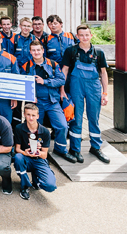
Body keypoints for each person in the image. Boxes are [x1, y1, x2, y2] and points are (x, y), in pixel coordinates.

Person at [61, 25, 110, 164]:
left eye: (87, 35)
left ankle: (96, 147)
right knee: (76, 118)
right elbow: (64, 70)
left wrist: (105, 93)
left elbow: (103, 73)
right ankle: (75, 149)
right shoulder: (71, 51)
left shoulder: (98, 52)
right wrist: (62, 89)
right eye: (81, 35)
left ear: (91, 35)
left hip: (94, 87)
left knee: (93, 117)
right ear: (77, 36)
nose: (84, 37)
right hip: (76, 86)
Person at [20, 41, 75, 163]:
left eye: (38, 50)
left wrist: (45, 82)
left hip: (52, 101)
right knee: (34, 129)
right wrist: (29, 95)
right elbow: (22, 83)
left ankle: (60, 149)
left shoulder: (53, 64)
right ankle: (35, 152)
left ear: (43, 50)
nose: (36, 52)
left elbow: (61, 80)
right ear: (30, 52)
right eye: (33, 50)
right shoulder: (26, 66)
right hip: (35, 104)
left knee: (62, 126)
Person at [14, 103, 57, 200]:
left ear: (38, 116)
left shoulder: (45, 131)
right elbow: (17, 149)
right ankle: (24, 186)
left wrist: (37, 152)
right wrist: (25, 152)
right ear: (24, 115)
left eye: (33, 115)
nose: (31, 118)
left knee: (50, 186)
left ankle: (37, 178)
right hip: (25, 158)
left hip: (39, 160)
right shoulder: (19, 128)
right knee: (18, 157)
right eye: (28, 114)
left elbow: (44, 155)